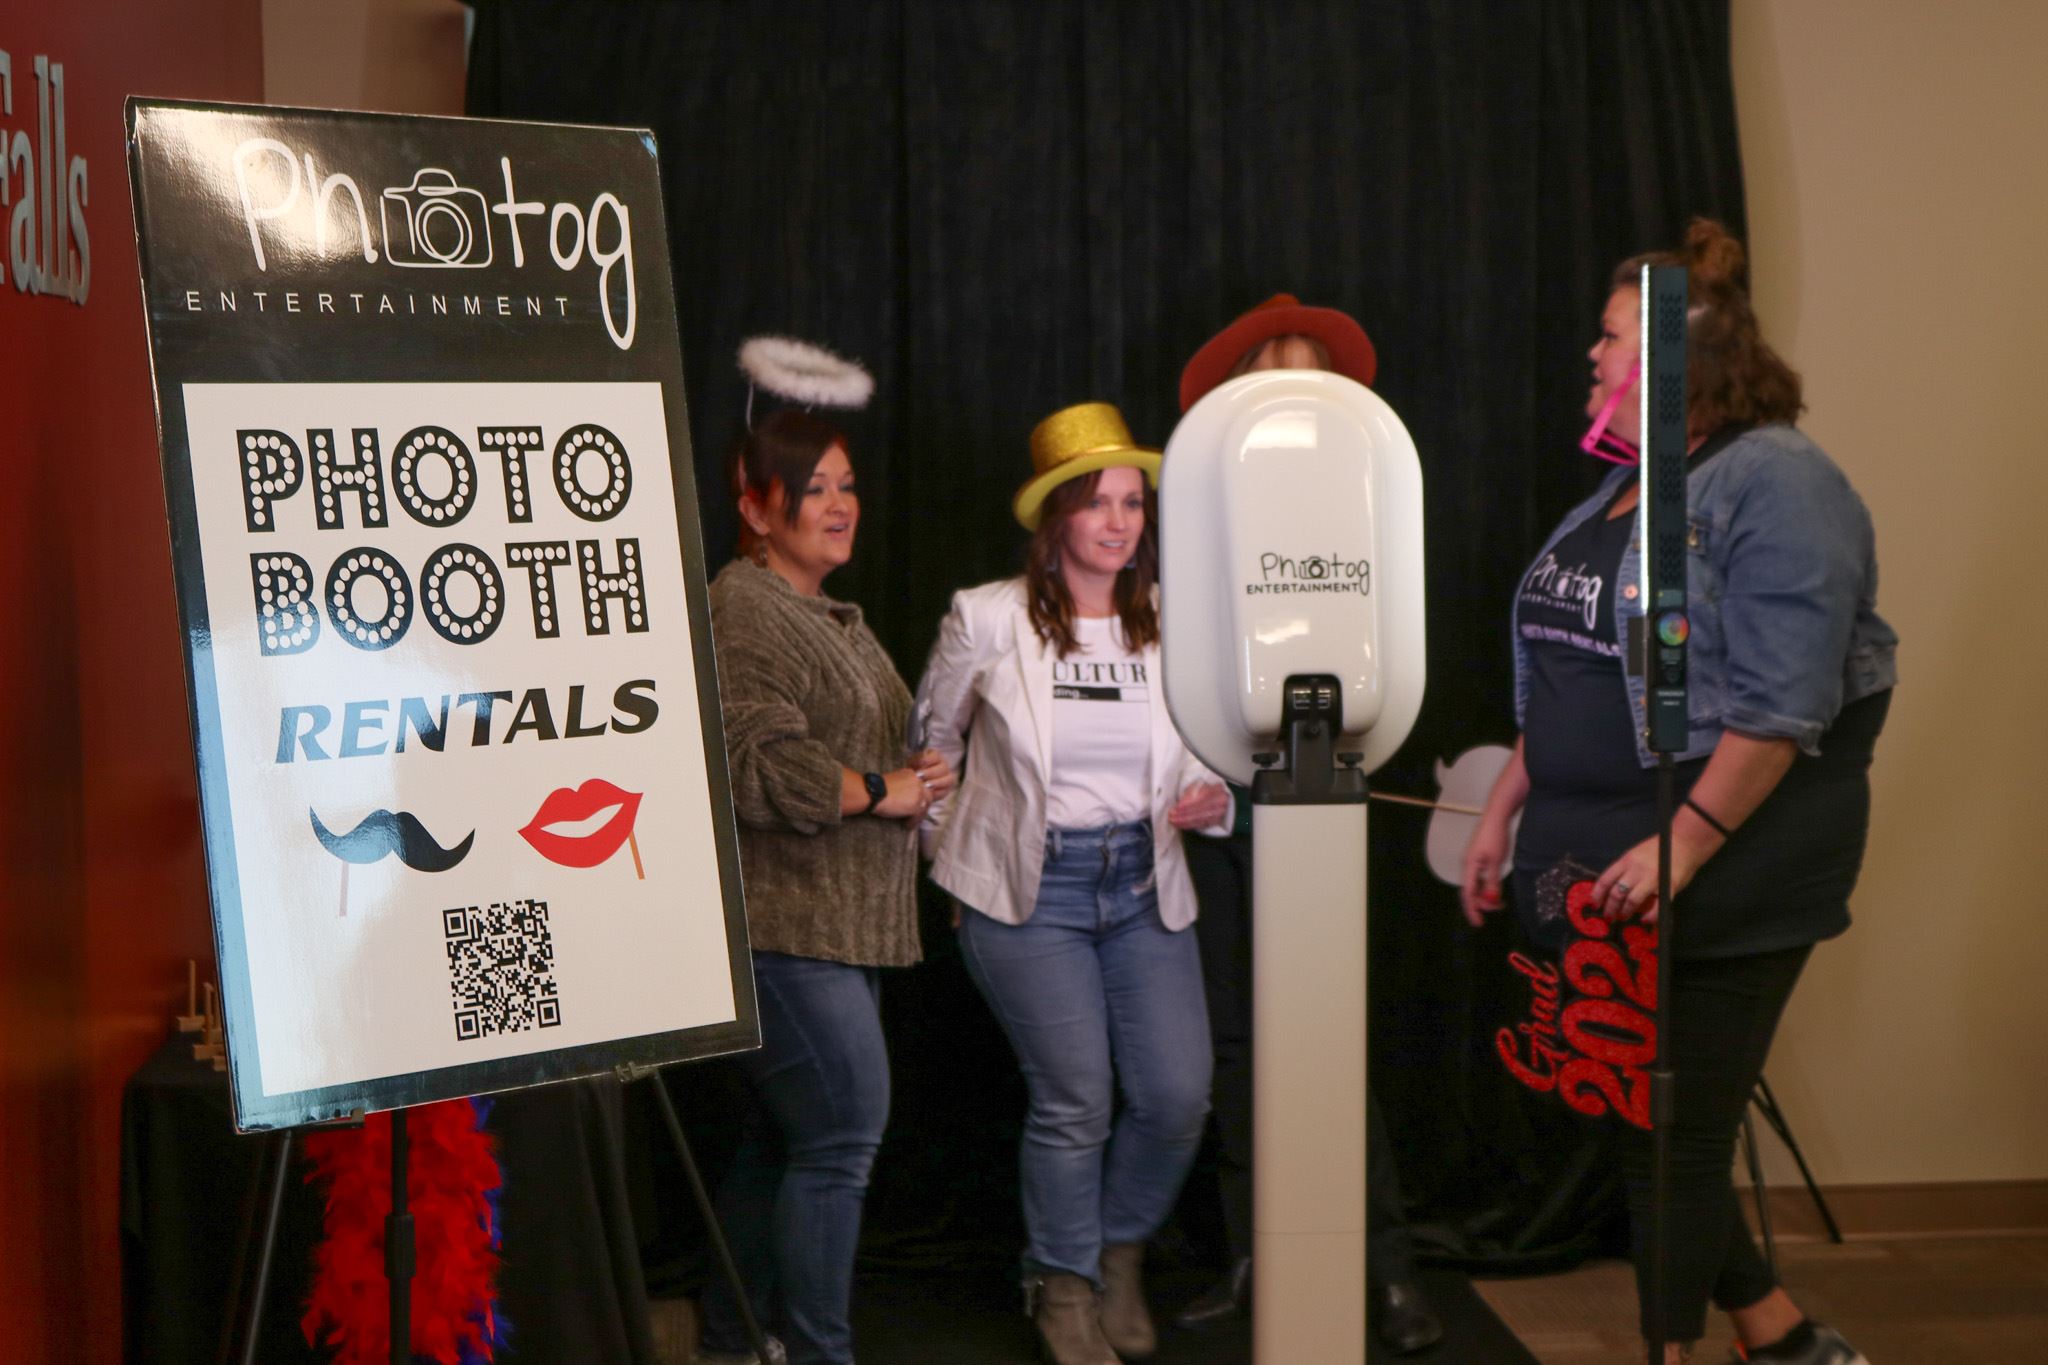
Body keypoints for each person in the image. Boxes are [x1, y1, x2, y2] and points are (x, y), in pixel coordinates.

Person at [1460, 220, 1894, 1365]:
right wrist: (1505, 805)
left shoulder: (1778, 483)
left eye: (1608, 339)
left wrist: (1686, 843)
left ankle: (1683, 1352)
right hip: (1595, 857)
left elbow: (1782, 701)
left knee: (1673, 1138)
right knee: (1631, 1116)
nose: (1591, 360)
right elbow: (1562, 663)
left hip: (1726, 867)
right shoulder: (1621, 486)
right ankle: (1777, 1333)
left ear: (1669, 358)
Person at [914, 401, 1232, 1365]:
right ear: (1056, 518)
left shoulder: (1176, 617)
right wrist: (955, 858)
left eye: (1132, 502)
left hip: (1144, 879)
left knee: (1179, 1095)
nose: (1120, 521)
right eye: (1097, 503)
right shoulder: (989, 617)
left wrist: (1206, 799)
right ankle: (1061, 1284)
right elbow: (930, 749)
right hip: (1031, 892)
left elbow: (1206, 762)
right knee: (1076, 1099)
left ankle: (1116, 1251)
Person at [1171, 294, 1443, 1355]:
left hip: (1320, 797)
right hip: (1213, 816)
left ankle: (1376, 1265)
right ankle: (1258, 1253)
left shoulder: (1362, 497)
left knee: (1325, 1034)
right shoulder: (1199, 504)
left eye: (1312, 381)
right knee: (1239, 1043)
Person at [698, 407, 957, 1365]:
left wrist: (914, 772)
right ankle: (817, 1351)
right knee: (843, 1134)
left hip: (836, 927)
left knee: (786, 1141)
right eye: (814, 490)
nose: (840, 505)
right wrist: (885, 789)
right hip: (784, 928)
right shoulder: (746, 604)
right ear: (756, 509)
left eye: (846, 485)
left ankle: (728, 1340)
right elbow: (757, 766)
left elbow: (848, 751)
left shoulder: (819, 610)